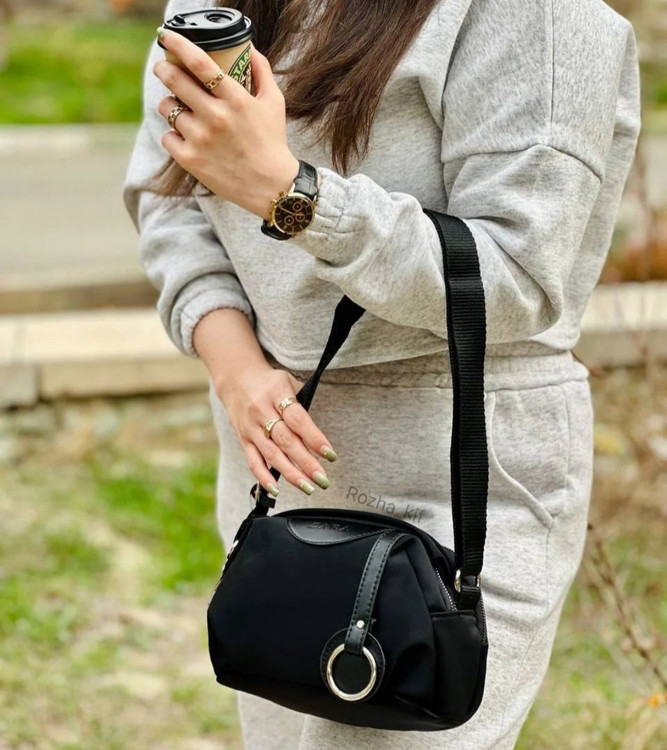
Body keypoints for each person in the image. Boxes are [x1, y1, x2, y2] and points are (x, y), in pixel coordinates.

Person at [123, 1, 641, 748]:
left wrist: (291, 195)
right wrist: (236, 369)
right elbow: (168, 194)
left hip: (455, 468)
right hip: (274, 460)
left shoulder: (535, 16)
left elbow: (520, 275)